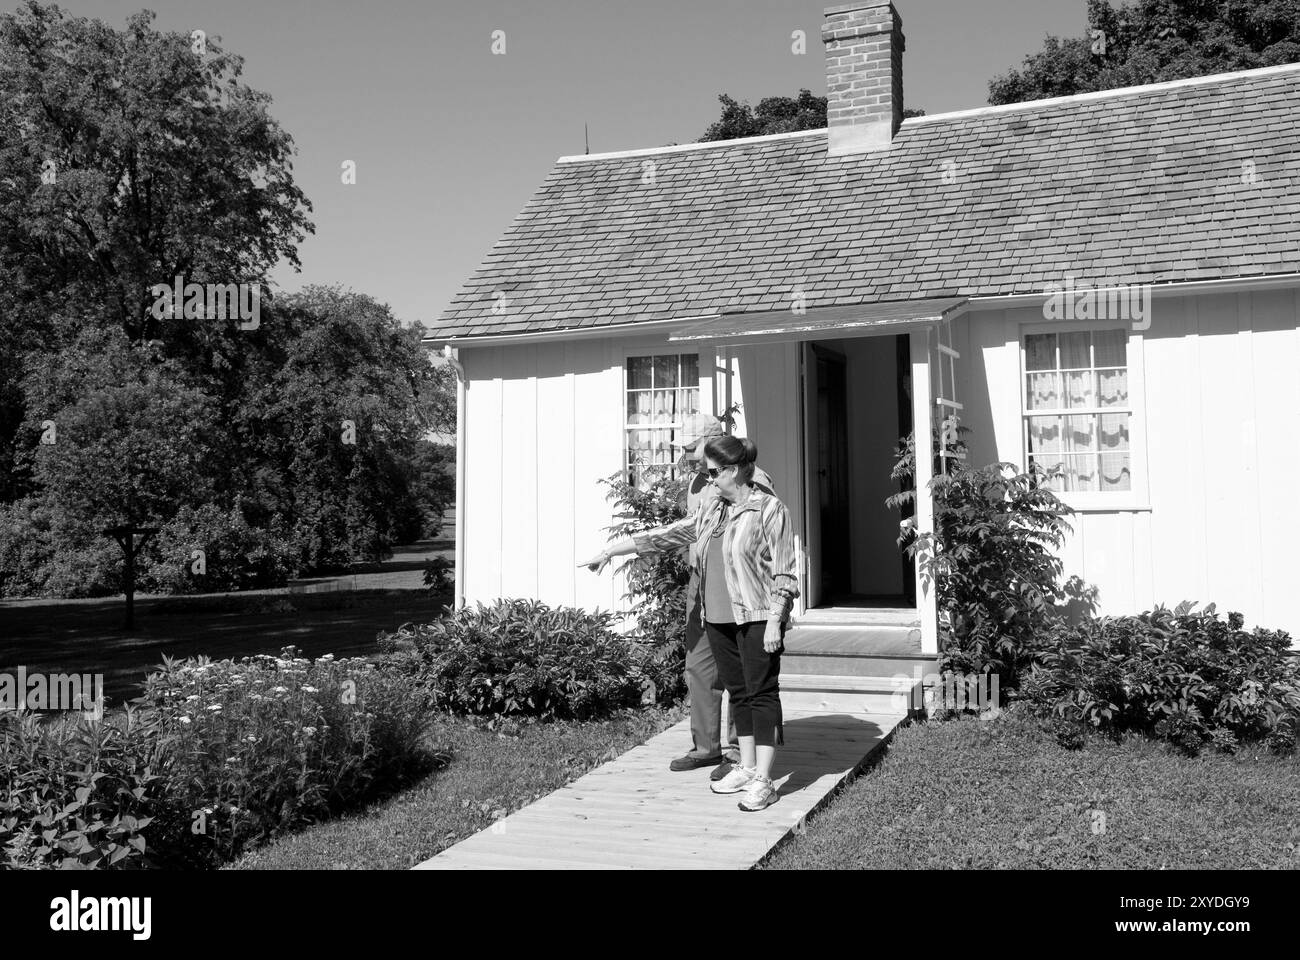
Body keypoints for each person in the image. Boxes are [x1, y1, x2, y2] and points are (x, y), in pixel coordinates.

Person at [581, 435, 798, 812]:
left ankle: (765, 780)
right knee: (740, 694)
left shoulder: (769, 509)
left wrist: (777, 620)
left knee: (761, 694)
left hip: (757, 616)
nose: (709, 481)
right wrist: (611, 550)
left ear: (734, 471)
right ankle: (746, 767)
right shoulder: (714, 510)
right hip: (716, 618)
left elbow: (785, 573)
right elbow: (669, 534)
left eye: (714, 473)